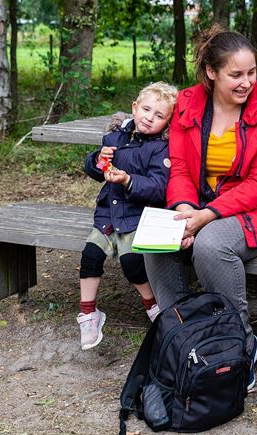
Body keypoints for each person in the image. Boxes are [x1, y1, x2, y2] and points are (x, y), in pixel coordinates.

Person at [144, 26, 257, 389]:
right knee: (159, 241)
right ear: (211, 74)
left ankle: (240, 344)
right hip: (201, 203)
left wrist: (204, 218)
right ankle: (185, 338)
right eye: (236, 75)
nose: (247, 82)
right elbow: (181, 168)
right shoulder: (188, 103)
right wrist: (185, 210)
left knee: (211, 244)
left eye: (251, 73)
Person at [76, 82, 178, 351]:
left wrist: (128, 180)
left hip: (137, 216)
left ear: (167, 122)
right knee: (90, 257)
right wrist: (98, 160)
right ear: (134, 108)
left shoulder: (161, 148)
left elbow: (158, 188)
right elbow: (97, 170)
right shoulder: (114, 137)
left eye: (159, 116)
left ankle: (152, 306)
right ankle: (88, 314)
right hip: (107, 213)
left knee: (132, 263)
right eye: (145, 109)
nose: (149, 118)